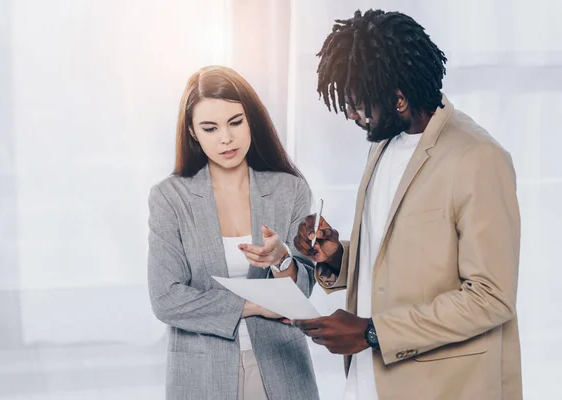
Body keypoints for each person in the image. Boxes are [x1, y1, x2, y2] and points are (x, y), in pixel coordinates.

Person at [292, 9, 522, 400]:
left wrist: (371, 332)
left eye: (358, 103)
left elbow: (491, 297)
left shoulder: (478, 157)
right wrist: (336, 258)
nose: (350, 114)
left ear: (398, 98)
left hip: (441, 387)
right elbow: (398, 265)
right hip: (367, 382)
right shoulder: (384, 145)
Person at [147, 65, 320, 400]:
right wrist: (257, 303)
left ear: (251, 119)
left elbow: (303, 290)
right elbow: (166, 300)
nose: (225, 138)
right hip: (203, 374)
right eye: (210, 128)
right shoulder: (171, 197)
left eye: (235, 122)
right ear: (193, 132)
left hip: (280, 367)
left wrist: (282, 259)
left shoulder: (290, 190)